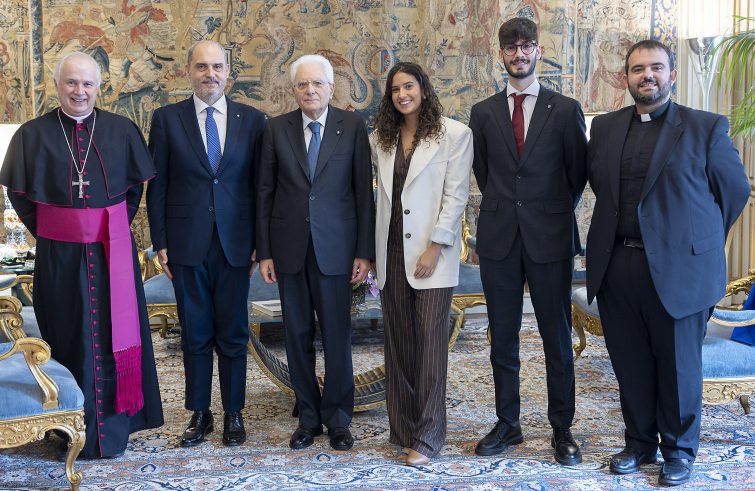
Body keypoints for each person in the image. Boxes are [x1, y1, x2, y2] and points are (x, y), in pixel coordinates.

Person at [586, 40, 750, 486]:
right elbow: (601, 186)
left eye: (656, 67)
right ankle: (639, 443)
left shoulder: (705, 127)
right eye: (638, 69)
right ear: (625, 78)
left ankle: (679, 451)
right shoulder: (605, 128)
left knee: (679, 367)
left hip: (680, 271)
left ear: (672, 75)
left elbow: (734, 192)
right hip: (617, 264)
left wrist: (697, 241)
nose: (648, 75)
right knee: (631, 363)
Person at [0, 51, 163, 458]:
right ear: (57, 86)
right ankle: (66, 424)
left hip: (113, 255)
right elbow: (20, 195)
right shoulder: (32, 135)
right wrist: (60, 229)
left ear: (99, 86)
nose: (79, 91)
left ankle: (117, 425)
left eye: (87, 83)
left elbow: (133, 192)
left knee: (115, 336)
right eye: (71, 82)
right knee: (66, 334)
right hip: (59, 258)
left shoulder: (121, 130)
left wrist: (106, 228)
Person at [468, 17, 587, 465]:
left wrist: (547, 210)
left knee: (556, 336)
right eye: (511, 47)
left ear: (538, 50)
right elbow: (484, 173)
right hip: (499, 238)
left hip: (550, 236)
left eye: (526, 46)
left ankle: (562, 428)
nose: (519, 54)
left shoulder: (565, 109)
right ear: (500, 54)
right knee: (503, 336)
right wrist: (510, 208)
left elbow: (577, 174)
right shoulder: (483, 112)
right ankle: (508, 423)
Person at [146, 40, 266, 447]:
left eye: (217, 66)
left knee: (233, 332)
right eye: (201, 66)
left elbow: (261, 188)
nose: (209, 74)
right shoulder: (166, 119)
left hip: (237, 243)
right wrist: (160, 241)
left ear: (228, 72)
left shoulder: (253, 120)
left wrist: (260, 242)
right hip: (185, 242)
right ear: (189, 71)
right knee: (195, 332)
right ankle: (200, 413)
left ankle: (234, 412)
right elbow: (157, 185)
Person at [256, 54, 374, 452]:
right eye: (302, 84)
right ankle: (308, 418)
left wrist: (364, 252)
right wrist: (265, 252)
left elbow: (363, 192)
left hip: (337, 250)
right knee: (297, 335)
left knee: (337, 336)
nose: (310, 90)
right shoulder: (276, 129)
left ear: (330, 87)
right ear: (293, 89)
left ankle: (338, 419)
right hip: (289, 250)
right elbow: (265, 193)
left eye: (317, 83)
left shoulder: (352, 126)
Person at [370, 62, 473, 466]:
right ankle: (403, 428)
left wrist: (436, 246)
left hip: (432, 253)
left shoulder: (455, 134)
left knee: (430, 346)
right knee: (398, 345)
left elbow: (456, 196)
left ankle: (429, 436)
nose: (402, 95)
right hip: (390, 251)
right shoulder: (381, 137)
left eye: (409, 86)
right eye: (395, 89)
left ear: (424, 89)